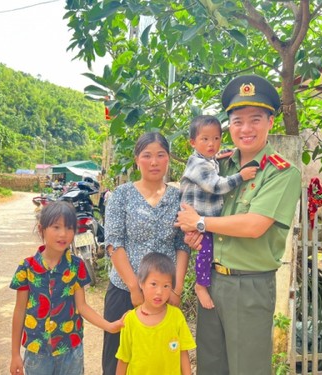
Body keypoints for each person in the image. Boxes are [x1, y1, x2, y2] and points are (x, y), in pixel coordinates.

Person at [175, 74, 301, 375]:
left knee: (247, 369)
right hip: (211, 280)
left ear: (270, 122)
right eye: (237, 120)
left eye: (255, 119)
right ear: (228, 125)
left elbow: (254, 225)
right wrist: (196, 233)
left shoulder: (281, 172)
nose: (246, 129)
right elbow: (198, 210)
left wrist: (202, 223)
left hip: (250, 285)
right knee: (211, 365)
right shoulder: (219, 165)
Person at [102, 131, 190, 375]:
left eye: (160, 155)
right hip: (124, 291)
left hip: (164, 292)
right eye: (147, 155)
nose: (154, 162)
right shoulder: (121, 195)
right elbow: (114, 244)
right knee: (117, 360)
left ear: (168, 159)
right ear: (137, 159)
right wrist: (134, 287)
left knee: (161, 358)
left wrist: (177, 289)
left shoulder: (179, 197)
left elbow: (182, 245)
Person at [9, 201, 124, 375]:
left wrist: (109, 326)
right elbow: (20, 311)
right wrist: (15, 354)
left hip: (70, 351)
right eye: (56, 227)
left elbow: (82, 307)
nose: (63, 234)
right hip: (37, 352)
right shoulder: (27, 268)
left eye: (69, 228)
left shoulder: (76, 266)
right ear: (42, 230)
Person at [180, 114, 257, 309]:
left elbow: (216, 159)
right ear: (193, 142)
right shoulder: (197, 165)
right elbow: (215, 185)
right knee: (206, 251)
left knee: (210, 250)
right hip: (196, 218)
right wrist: (240, 176)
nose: (211, 144)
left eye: (216, 138)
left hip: (204, 218)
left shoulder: (209, 159)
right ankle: (200, 285)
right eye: (204, 139)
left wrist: (225, 153)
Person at [115, 252, 196, 375]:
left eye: (166, 286)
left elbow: (183, 352)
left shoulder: (176, 316)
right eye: (153, 284)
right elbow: (123, 358)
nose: (159, 292)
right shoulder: (130, 320)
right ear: (141, 283)